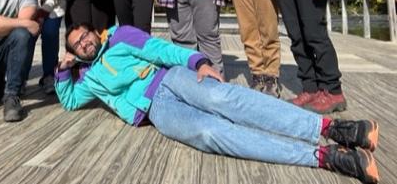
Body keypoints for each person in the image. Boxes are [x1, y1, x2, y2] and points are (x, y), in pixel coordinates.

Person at [55, 23, 380, 184]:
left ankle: (333, 128)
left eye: (85, 35)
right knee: (208, 132)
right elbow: (69, 102)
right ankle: (325, 156)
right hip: (155, 110)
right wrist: (62, 71)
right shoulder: (87, 77)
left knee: (221, 97)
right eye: (76, 44)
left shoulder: (120, 36)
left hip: (169, 78)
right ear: (75, 52)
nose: (83, 42)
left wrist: (198, 62)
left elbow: (160, 50)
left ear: (94, 33)